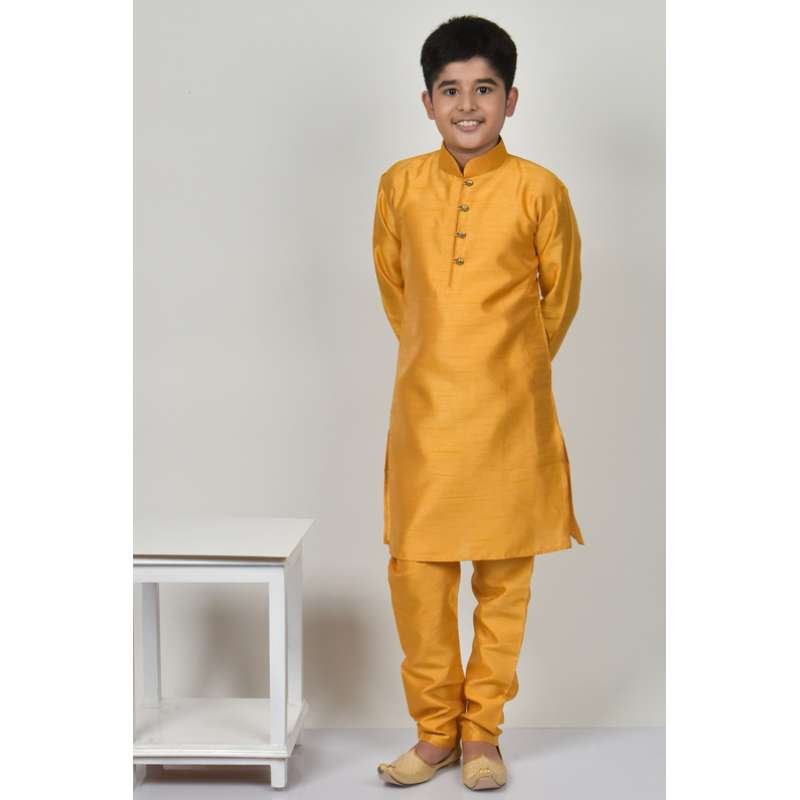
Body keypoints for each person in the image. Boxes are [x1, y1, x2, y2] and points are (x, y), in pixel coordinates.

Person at [372, 15, 585, 791]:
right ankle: (435, 733)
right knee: (418, 574)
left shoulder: (540, 190)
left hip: (509, 419)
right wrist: (439, 356)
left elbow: (559, 300)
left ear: (511, 99)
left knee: (503, 583)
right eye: (451, 90)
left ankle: (483, 735)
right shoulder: (399, 186)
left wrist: (510, 365)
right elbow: (399, 294)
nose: (468, 105)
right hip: (426, 415)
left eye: (484, 89)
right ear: (427, 102)